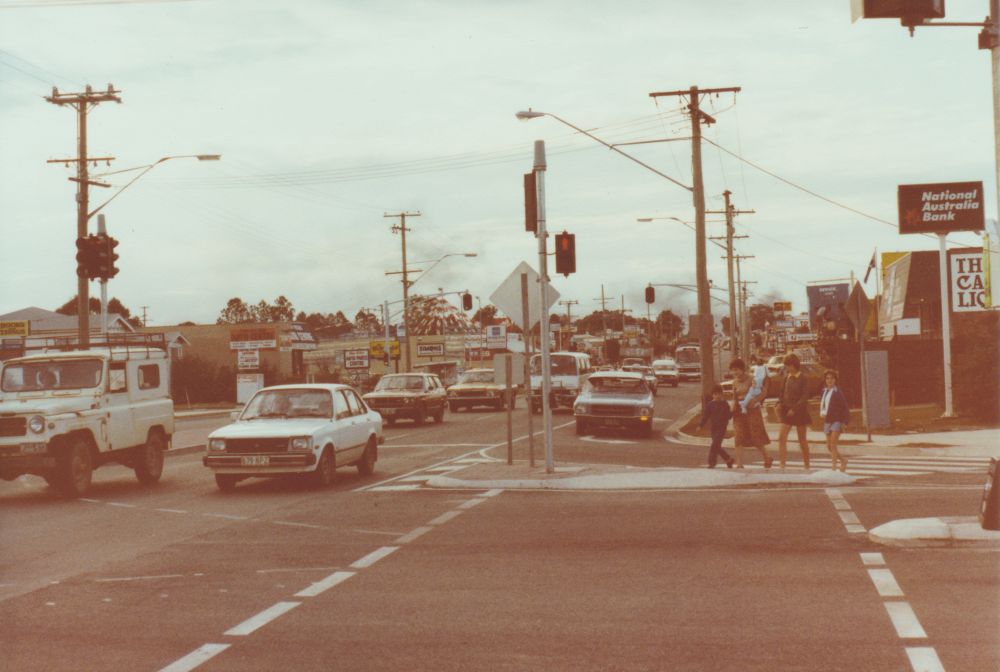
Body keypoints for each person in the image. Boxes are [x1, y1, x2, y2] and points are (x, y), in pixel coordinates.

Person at [729, 358, 772, 469]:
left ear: (742, 369)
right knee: (738, 436)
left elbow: (764, 391)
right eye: (733, 370)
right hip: (739, 411)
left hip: (752, 411)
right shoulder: (734, 382)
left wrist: (756, 400)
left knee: (755, 437)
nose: (735, 372)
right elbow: (734, 397)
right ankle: (739, 464)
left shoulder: (752, 379)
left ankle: (767, 458)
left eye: (737, 370)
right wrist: (733, 407)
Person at [776, 353, 811, 471]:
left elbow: (805, 396)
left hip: (799, 412)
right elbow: (781, 393)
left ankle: (807, 465)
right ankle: (782, 465)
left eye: (788, 365)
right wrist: (779, 404)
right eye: (785, 365)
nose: (786, 368)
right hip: (786, 411)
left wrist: (795, 409)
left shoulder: (803, 378)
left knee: (802, 440)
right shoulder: (786, 377)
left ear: (794, 365)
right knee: (781, 437)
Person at [820, 370, 850, 472]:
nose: (829, 380)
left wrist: (844, 422)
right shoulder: (824, 391)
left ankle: (833, 468)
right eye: (827, 378)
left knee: (833, 445)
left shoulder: (837, 392)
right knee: (828, 446)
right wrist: (823, 412)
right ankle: (843, 460)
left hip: (837, 420)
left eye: (832, 378)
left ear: (835, 380)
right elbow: (824, 405)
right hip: (827, 420)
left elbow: (845, 407)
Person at [698, 384, 734, 469]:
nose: (717, 396)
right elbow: (705, 416)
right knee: (716, 446)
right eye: (715, 394)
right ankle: (728, 459)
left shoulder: (725, 404)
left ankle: (712, 463)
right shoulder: (710, 405)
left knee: (714, 445)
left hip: (722, 428)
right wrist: (700, 425)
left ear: (722, 394)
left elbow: (729, 416)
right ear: (712, 395)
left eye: (719, 394)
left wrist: (733, 411)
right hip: (713, 428)